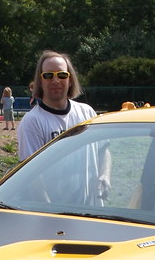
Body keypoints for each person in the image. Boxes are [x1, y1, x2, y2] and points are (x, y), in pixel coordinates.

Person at [17, 50, 110, 203]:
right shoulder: (32, 122)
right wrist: (50, 210)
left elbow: (103, 150)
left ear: (70, 79)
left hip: (92, 209)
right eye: (48, 75)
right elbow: (32, 178)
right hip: (57, 212)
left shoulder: (87, 112)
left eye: (62, 75)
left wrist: (105, 175)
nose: (55, 80)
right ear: (40, 81)